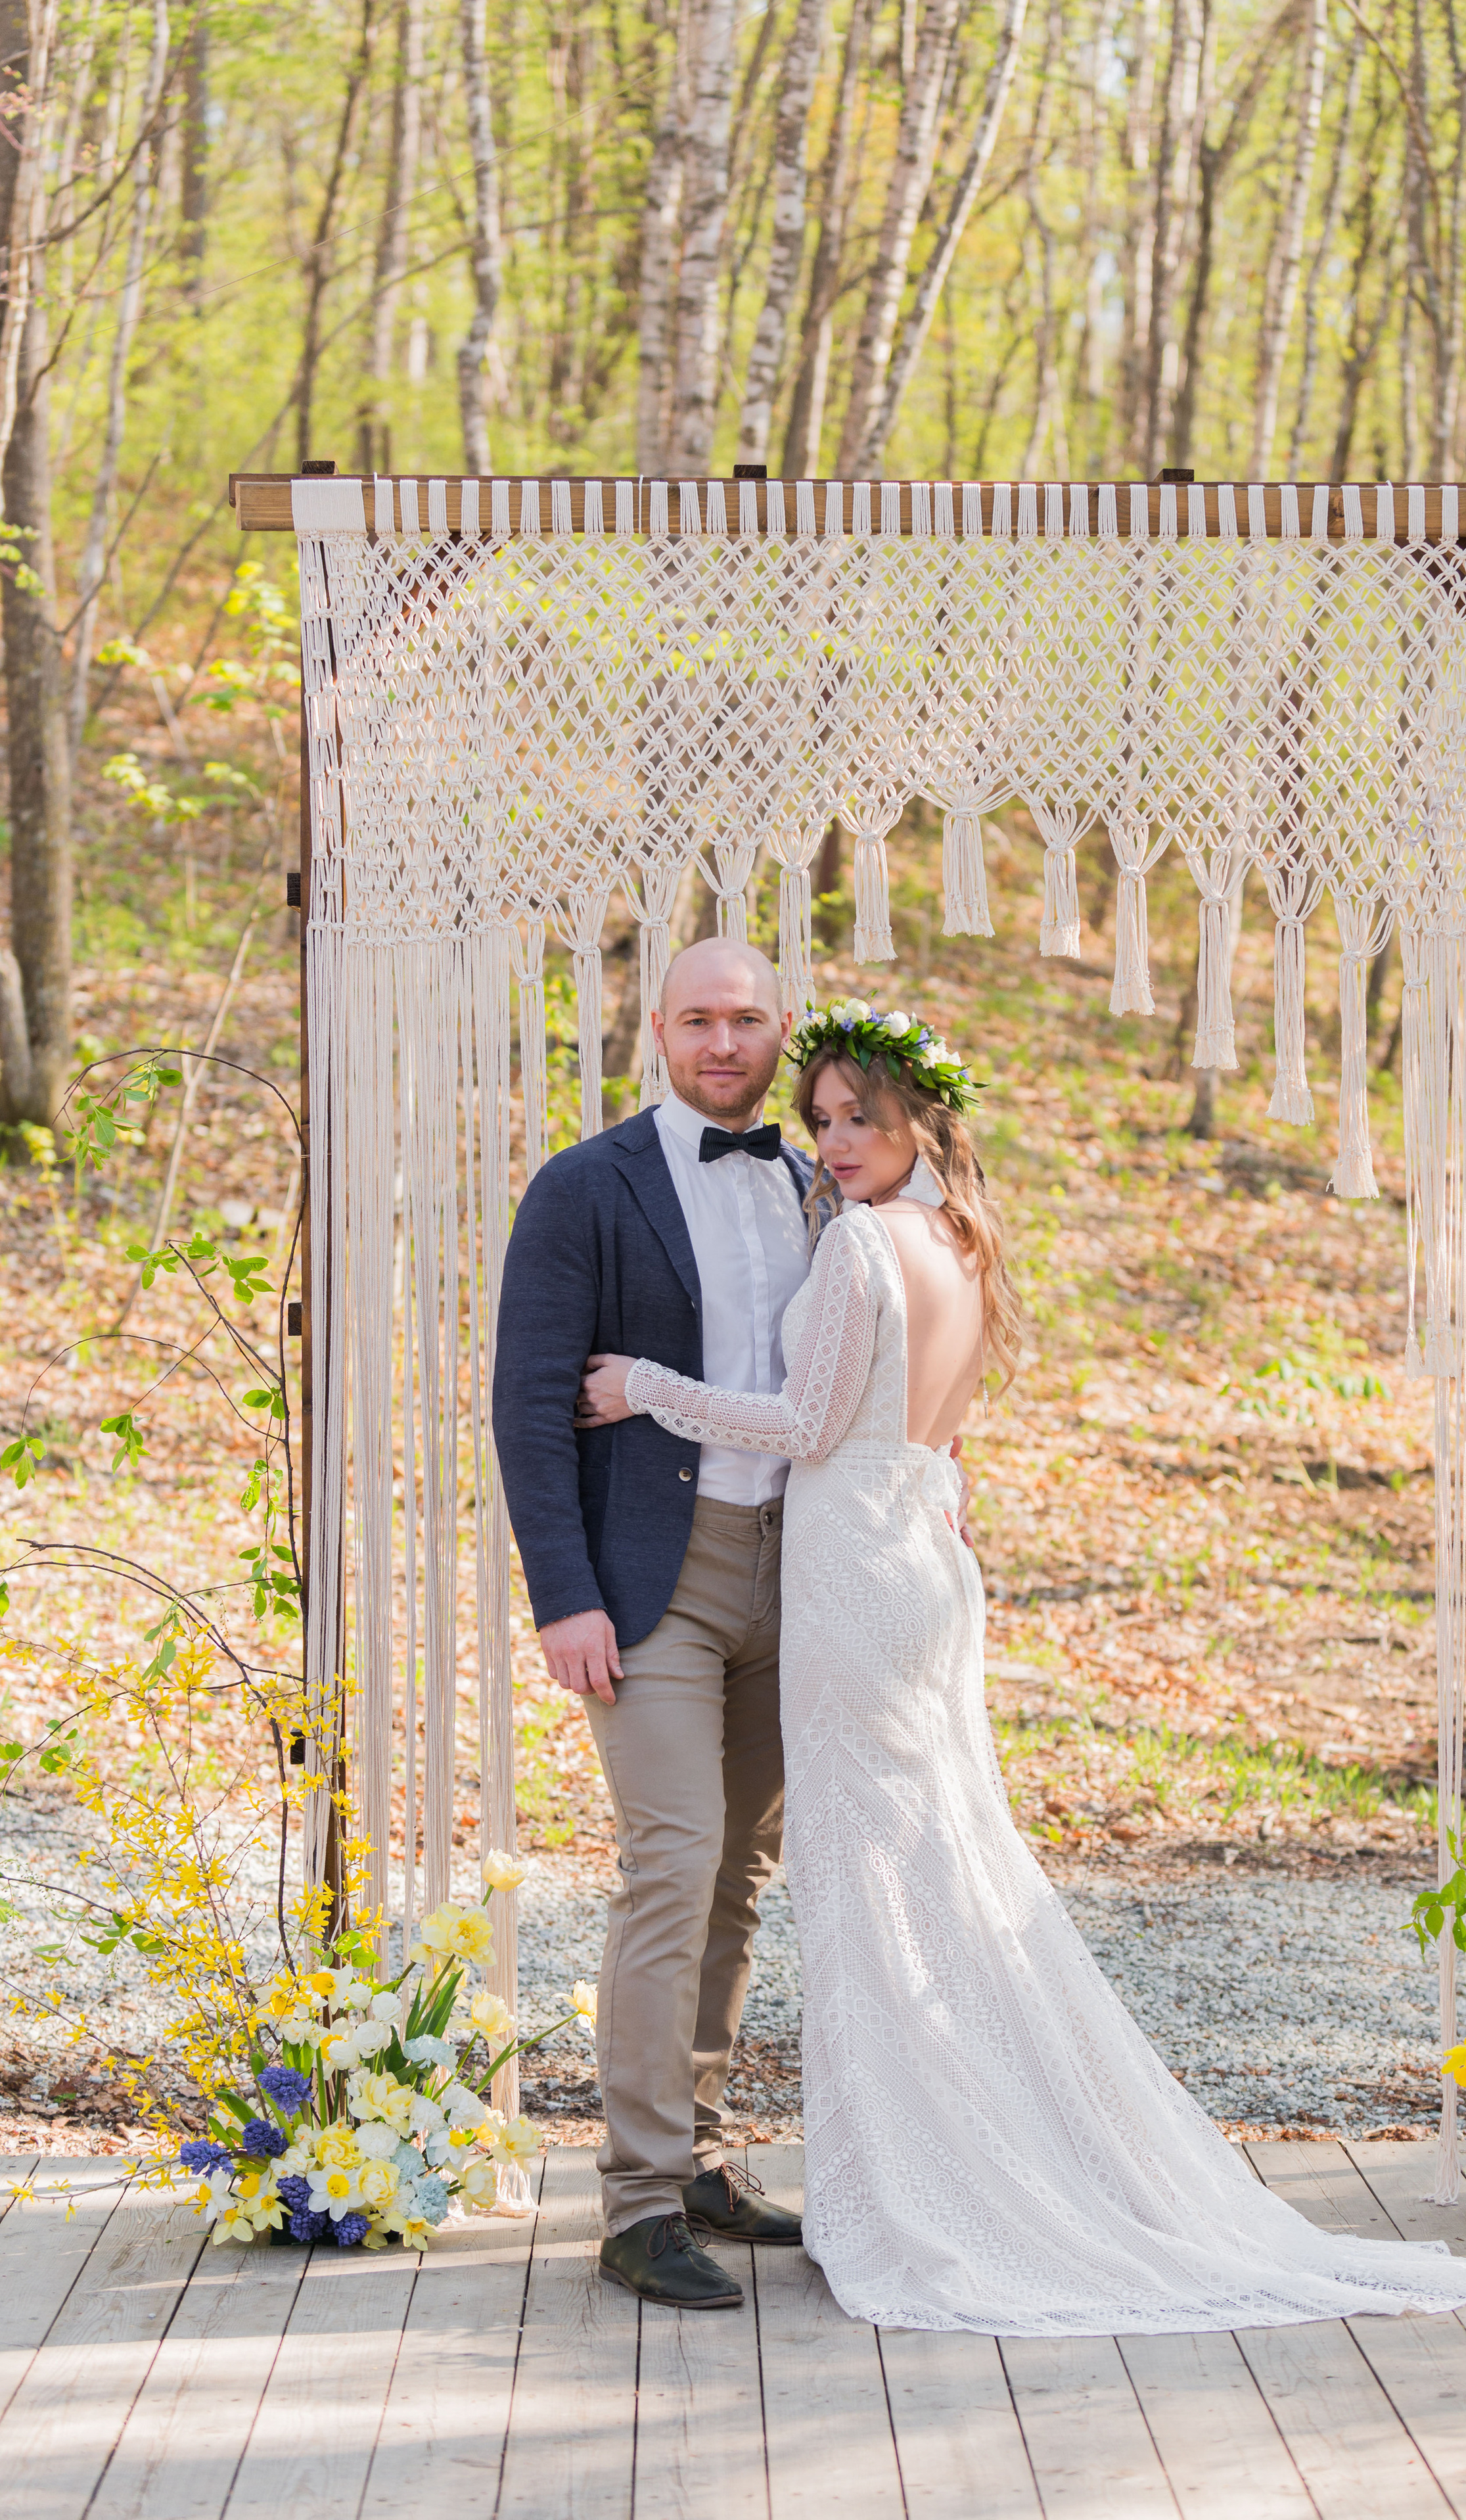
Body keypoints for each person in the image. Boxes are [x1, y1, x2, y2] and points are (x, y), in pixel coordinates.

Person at [576, 997, 1466, 2337]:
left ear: (917, 1125)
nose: (833, 1141)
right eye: (824, 1117)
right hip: (919, 1560)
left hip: (852, 1575)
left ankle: (928, 2181)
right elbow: (922, 1429)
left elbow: (800, 1422)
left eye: (862, 1120)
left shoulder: (858, 1249)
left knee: (874, 1891)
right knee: (933, 1865)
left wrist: (648, 1387)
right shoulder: (960, 1239)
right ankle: (967, 2146)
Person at [492, 937, 813, 2312]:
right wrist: (562, 1593)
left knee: (738, 1876)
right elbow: (526, 1401)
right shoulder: (584, 1187)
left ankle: (695, 2159)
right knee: (670, 1866)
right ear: (658, 1032)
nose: (723, 1041)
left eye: (746, 1019)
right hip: (647, 1585)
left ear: (778, 1030)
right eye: (700, 1019)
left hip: (794, 1581)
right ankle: (630, 2202)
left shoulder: (819, 1183)